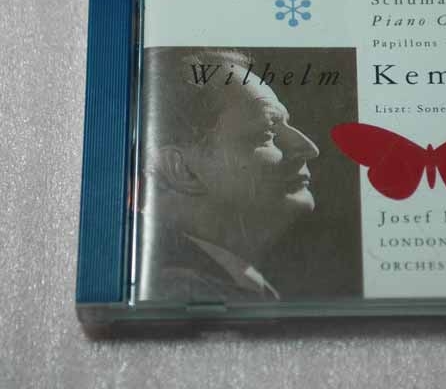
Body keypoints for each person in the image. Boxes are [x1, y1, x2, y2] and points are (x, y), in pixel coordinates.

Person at [136, 48, 320, 302]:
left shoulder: (229, 283)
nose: (309, 148)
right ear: (184, 170)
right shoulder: (177, 291)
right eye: (267, 133)